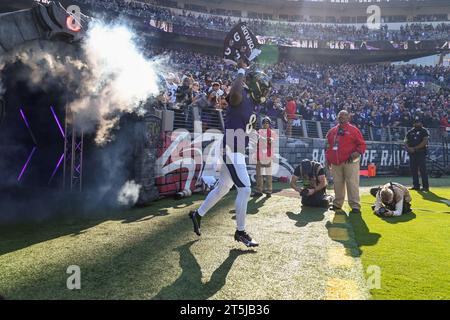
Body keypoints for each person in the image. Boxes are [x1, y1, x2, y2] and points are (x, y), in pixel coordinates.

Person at [189, 61, 271, 247]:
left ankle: (197, 214)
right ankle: (240, 232)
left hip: (238, 149)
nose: (266, 93)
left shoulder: (254, 104)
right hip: (231, 149)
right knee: (245, 189)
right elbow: (233, 94)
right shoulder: (241, 96)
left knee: (223, 187)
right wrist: (241, 70)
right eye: (264, 89)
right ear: (256, 87)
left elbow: (246, 127)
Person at [325, 110, 367, 214]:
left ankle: (355, 205)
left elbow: (362, 145)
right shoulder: (332, 131)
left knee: (352, 183)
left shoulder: (354, 130)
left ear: (348, 118)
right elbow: (327, 146)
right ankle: (337, 204)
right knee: (337, 183)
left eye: (343, 116)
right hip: (335, 162)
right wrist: (327, 159)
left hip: (350, 161)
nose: (341, 118)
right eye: (339, 116)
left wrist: (356, 153)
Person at [252, 117, 276, 198]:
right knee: (259, 175)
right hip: (260, 156)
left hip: (268, 156)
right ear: (262, 124)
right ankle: (259, 191)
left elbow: (272, 141)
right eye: (264, 123)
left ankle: (269, 191)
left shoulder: (272, 133)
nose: (265, 124)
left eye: (267, 123)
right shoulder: (259, 132)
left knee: (268, 175)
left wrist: (263, 139)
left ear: (269, 124)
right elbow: (255, 141)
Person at [404, 116, 430, 191]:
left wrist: (415, 148)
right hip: (412, 153)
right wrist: (408, 148)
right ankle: (416, 185)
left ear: (421, 123)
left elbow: (425, 141)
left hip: (421, 152)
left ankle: (425, 186)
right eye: (415, 122)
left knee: (423, 170)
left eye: (418, 122)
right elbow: (405, 141)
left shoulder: (424, 131)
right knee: (413, 170)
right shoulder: (410, 132)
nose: (417, 123)